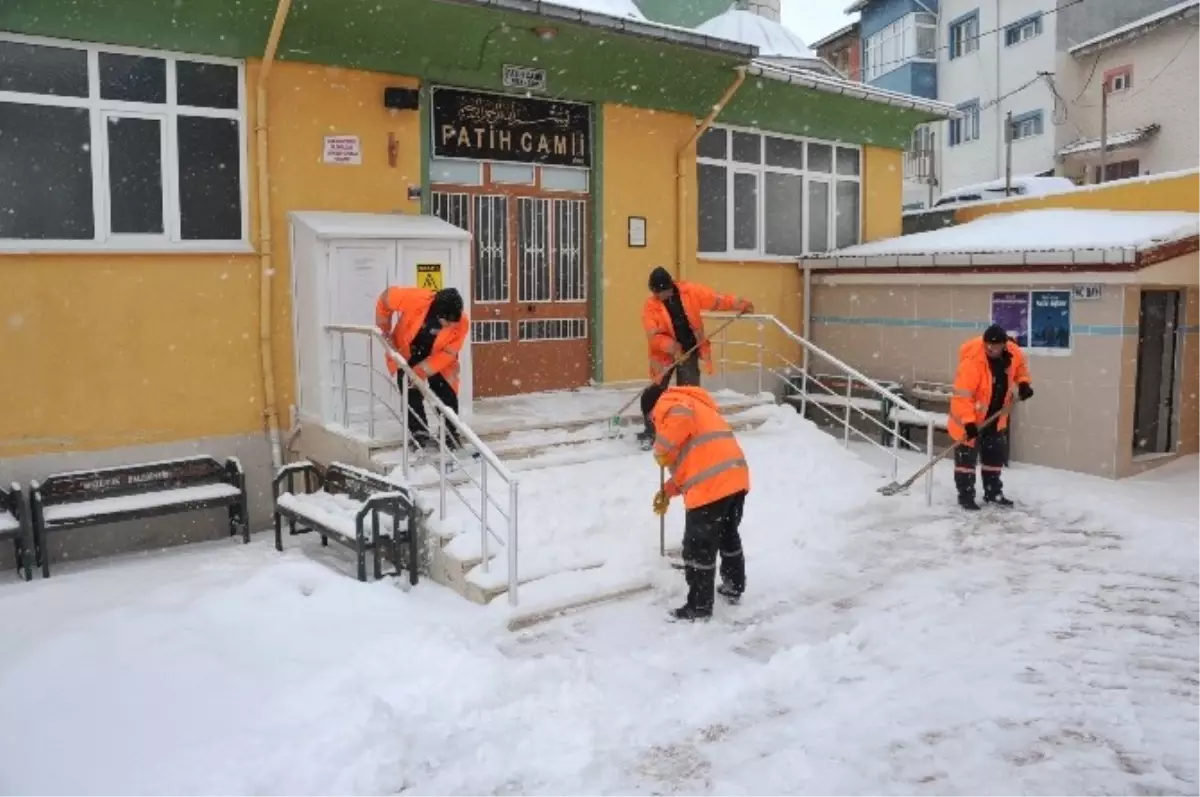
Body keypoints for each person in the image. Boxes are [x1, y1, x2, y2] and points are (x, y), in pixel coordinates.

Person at [649, 384, 750, 621]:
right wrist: (671, 487)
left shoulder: (669, 402)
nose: (654, 423)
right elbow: (699, 457)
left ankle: (699, 606)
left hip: (711, 487)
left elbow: (678, 420)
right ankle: (734, 585)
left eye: (651, 419)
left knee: (698, 547)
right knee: (727, 534)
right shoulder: (699, 406)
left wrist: (661, 449)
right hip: (735, 477)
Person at [639, 267, 754, 449]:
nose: (658, 296)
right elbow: (654, 336)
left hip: (690, 349)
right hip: (663, 356)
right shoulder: (650, 306)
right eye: (655, 292)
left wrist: (740, 304)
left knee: (690, 393)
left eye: (661, 292)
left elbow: (717, 300)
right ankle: (651, 430)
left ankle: (687, 431)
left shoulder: (690, 292)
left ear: (670, 287)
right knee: (654, 392)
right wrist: (674, 348)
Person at [948, 324, 1034, 511]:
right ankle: (966, 496)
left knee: (994, 458)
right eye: (988, 345)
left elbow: (1021, 369)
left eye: (996, 346)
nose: (991, 349)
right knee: (966, 463)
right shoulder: (972, 363)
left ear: (1005, 345)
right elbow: (962, 397)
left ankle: (993, 493)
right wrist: (969, 422)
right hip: (969, 420)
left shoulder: (1013, 352)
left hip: (995, 418)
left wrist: (1024, 383)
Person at [375, 286, 469, 450]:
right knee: (410, 391)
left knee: (447, 395)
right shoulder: (416, 299)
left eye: (454, 322)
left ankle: (450, 434)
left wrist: (422, 371)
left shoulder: (462, 323)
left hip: (439, 359)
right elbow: (385, 298)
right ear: (439, 312)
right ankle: (419, 435)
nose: (451, 326)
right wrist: (384, 329)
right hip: (408, 351)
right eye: (447, 322)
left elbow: (448, 353)